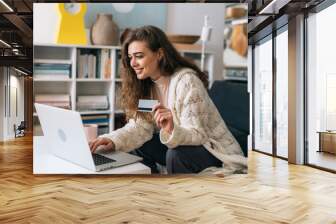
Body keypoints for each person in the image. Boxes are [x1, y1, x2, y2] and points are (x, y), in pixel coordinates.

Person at [89, 25, 247, 174]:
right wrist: (111, 140)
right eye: (130, 57)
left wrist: (172, 129)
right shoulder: (147, 87)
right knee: (140, 145)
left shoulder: (187, 82)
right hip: (182, 144)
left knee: (176, 154)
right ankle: (150, 187)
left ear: (159, 54)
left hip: (214, 151)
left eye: (139, 56)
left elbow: (198, 135)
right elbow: (139, 128)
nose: (133, 63)